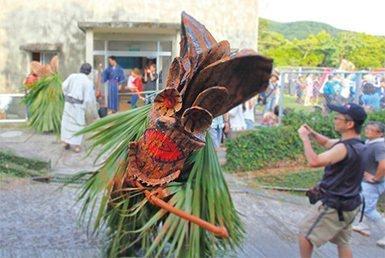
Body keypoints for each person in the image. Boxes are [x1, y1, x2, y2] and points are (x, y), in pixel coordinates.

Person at [297, 102, 367, 258]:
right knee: (343, 242)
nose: (334, 119)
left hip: (335, 205)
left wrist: (304, 139)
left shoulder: (343, 149)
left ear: (349, 124)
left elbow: (314, 161)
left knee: (305, 235)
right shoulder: (358, 144)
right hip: (351, 203)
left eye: (338, 117)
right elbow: (327, 143)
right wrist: (312, 133)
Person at [352, 121, 385, 248]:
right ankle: (364, 226)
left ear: (380, 133)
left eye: (371, 129)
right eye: (367, 128)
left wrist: (375, 178)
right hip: (367, 181)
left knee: (369, 209)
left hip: (373, 184)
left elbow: (383, 164)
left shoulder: (379, 146)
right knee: (364, 203)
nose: (367, 130)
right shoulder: (371, 142)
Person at [61, 63, 99, 152]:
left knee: (67, 123)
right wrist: (87, 108)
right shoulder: (88, 82)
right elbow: (88, 99)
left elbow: (64, 86)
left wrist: (66, 95)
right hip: (78, 106)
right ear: (89, 72)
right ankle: (77, 146)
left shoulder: (72, 76)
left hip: (68, 104)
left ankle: (66, 142)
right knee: (78, 125)